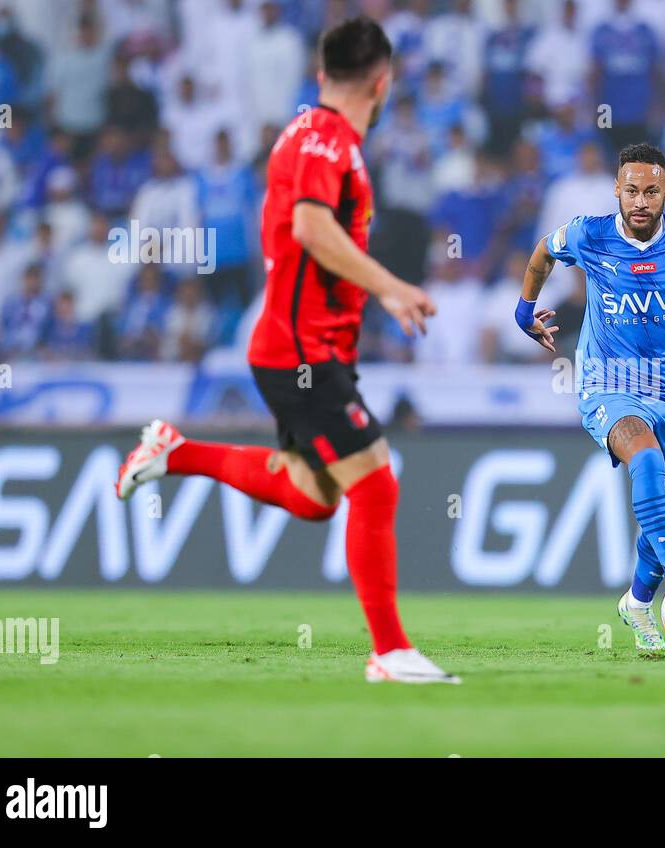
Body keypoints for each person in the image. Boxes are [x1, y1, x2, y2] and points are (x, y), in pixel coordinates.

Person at [115, 16, 453, 685]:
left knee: (314, 494)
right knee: (377, 486)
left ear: (323, 72)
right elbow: (309, 226)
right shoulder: (328, 142)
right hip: (300, 349)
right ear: (382, 83)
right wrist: (389, 287)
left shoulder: (308, 133)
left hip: (305, 345)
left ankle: (175, 451)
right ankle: (389, 652)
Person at [516, 142, 665, 656]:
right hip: (607, 382)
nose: (640, 201)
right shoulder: (589, 233)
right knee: (644, 460)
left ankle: (638, 601)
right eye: (631, 190)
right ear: (617, 191)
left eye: (651, 191)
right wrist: (524, 310)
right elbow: (542, 252)